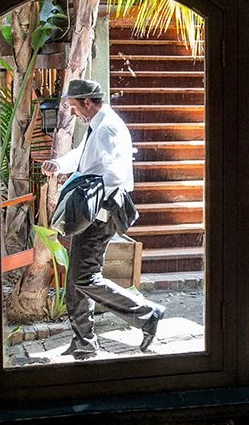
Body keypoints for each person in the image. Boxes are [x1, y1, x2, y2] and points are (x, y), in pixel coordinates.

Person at [41, 77, 164, 359]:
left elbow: (116, 175)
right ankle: (84, 341)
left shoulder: (108, 128)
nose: (72, 112)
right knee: (75, 279)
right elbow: (83, 157)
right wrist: (59, 164)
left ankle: (147, 314)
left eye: (74, 106)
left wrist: (89, 206)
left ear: (87, 102)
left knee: (84, 277)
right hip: (95, 210)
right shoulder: (96, 124)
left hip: (101, 212)